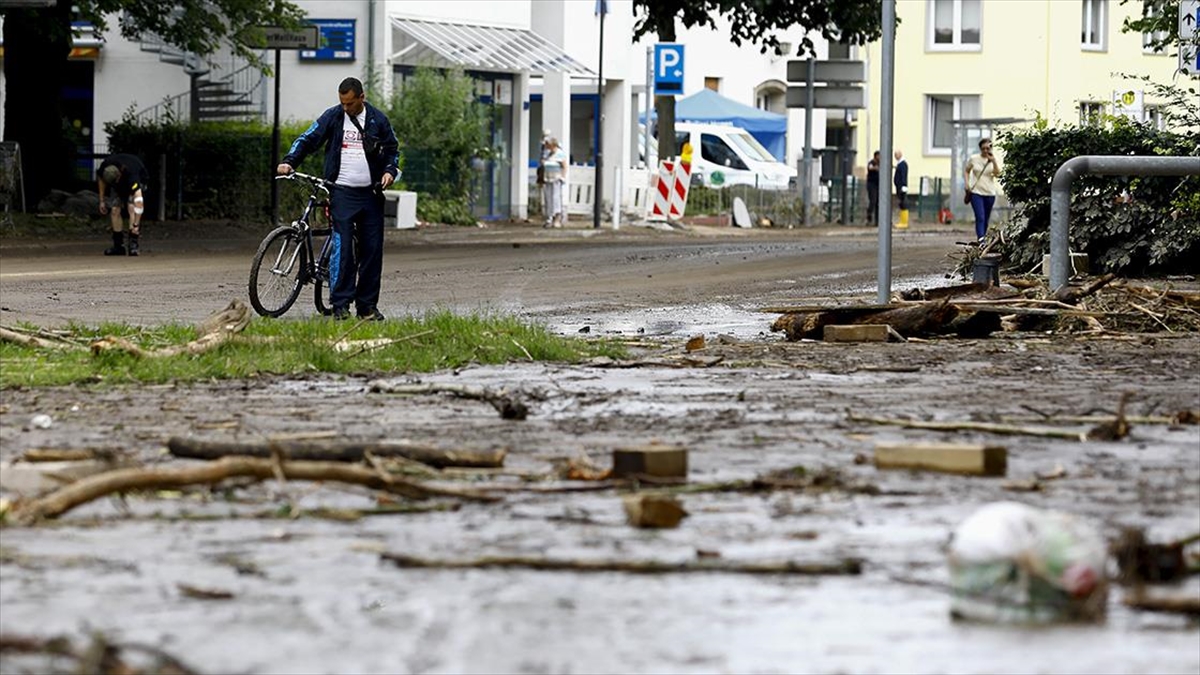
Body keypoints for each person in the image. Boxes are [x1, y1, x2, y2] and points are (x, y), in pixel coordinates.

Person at [277, 77, 399, 321]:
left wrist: (389, 172)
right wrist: (289, 161)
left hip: (371, 195)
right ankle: (340, 304)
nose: (346, 108)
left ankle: (367, 307)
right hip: (341, 192)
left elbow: (392, 150)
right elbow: (308, 138)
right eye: (342, 103)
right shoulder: (333, 116)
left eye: (350, 104)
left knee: (372, 251)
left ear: (361, 98)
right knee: (342, 249)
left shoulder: (378, 120)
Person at [97, 153, 150, 256]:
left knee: (131, 207)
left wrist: (136, 225)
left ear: (119, 175)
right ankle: (118, 246)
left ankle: (133, 244)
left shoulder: (132, 176)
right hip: (119, 181)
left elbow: (139, 202)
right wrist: (102, 200)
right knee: (114, 209)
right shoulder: (105, 166)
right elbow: (101, 180)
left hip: (138, 179)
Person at [964, 137, 1002, 242]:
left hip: (990, 193)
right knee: (980, 216)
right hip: (976, 192)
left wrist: (993, 161)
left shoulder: (993, 159)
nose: (985, 151)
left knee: (985, 218)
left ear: (990, 148)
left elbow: (997, 174)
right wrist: (967, 183)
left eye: (987, 148)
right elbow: (967, 171)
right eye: (983, 148)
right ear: (980, 148)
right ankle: (981, 240)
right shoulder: (974, 158)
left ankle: (982, 238)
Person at [541, 136, 568, 228]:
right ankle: (549, 218)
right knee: (548, 198)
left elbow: (564, 166)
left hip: (556, 179)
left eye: (548, 145)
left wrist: (562, 177)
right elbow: (542, 163)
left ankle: (557, 218)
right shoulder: (546, 153)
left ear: (553, 145)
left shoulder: (560, 153)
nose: (547, 147)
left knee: (555, 198)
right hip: (547, 178)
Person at [893, 150, 909, 228]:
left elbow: (903, 175)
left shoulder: (903, 164)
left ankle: (904, 222)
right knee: (901, 203)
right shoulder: (900, 164)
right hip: (899, 186)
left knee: (903, 203)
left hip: (901, 187)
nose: (895, 157)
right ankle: (902, 221)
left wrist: (904, 185)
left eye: (896, 155)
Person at [865, 150, 880, 226]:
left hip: (879, 185)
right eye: (878, 156)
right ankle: (869, 216)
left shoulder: (881, 163)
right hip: (871, 185)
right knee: (873, 201)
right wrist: (875, 168)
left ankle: (877, 221)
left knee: (878, 203)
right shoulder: (872, 162)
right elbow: (870, 168)